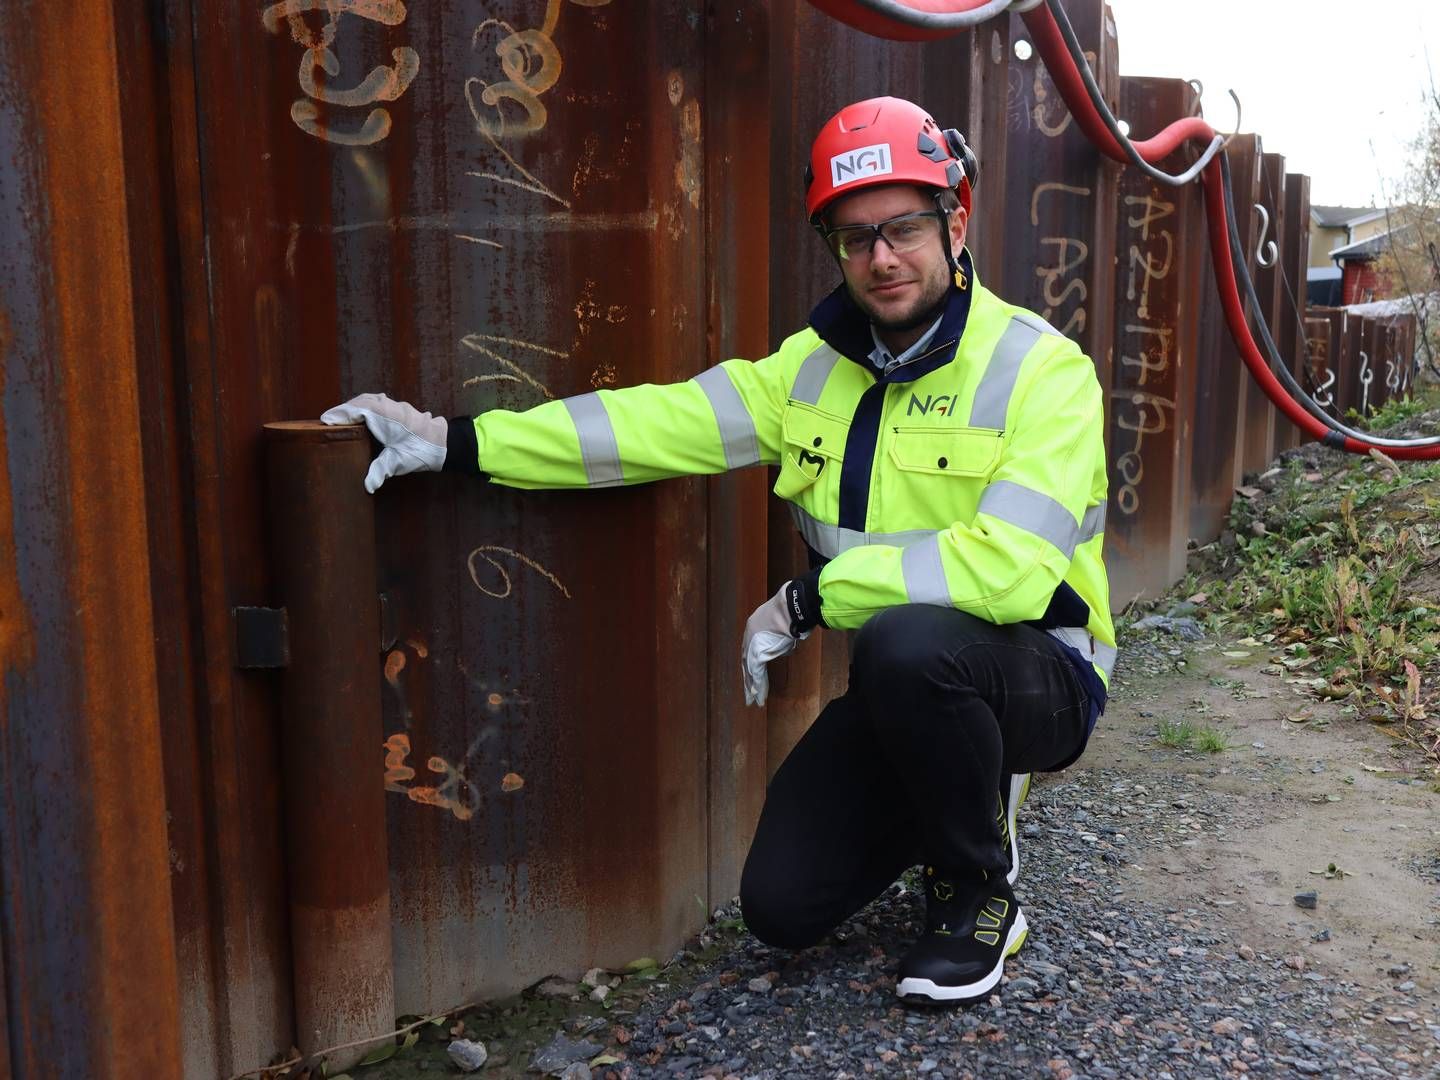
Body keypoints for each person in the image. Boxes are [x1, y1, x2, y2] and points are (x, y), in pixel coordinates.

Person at [323, 96, 1114, 1006]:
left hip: (1044, 669)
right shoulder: (808, 372)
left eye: (903, 227)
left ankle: (976, 886)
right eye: (855, 238)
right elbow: (651, 423)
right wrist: (457, 442)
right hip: (917, 685)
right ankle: (955, 794)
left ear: (955, 221)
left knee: (905, 648)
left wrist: (810, 601)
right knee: (781, 906)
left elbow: (1009, 570)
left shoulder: (1041, 373)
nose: (882, 258)